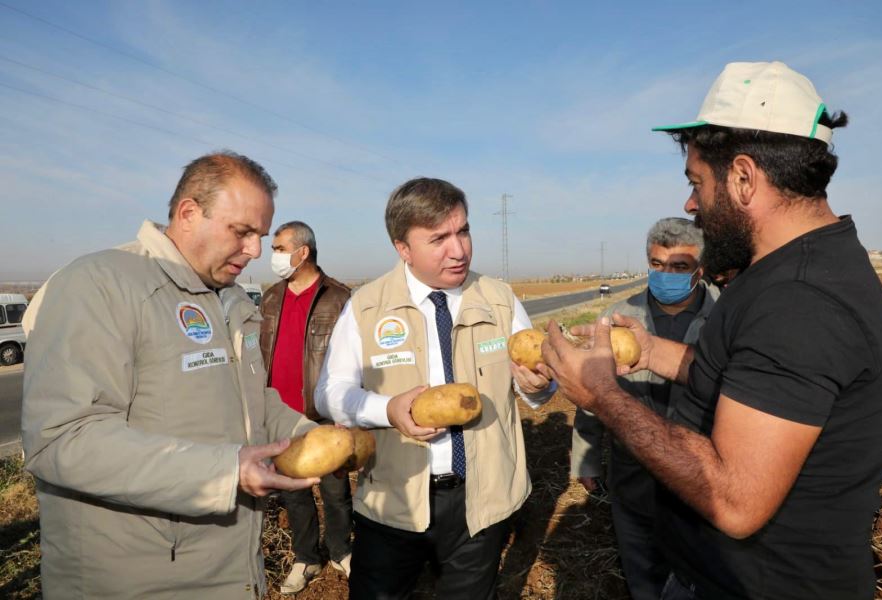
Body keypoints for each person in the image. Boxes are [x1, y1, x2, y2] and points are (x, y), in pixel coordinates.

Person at [542, 61, 882, 599]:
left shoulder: (799, 302)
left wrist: (603, 396)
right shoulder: (794, 270)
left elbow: (735, 499)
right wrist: (650, 352)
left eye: (696, 183)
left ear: (743, 177)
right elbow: (749, 380)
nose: (690, 203)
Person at [21, 151, 322, 599]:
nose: (255, 250)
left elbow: (252, 401)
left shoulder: (231, 299)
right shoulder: (101, 284)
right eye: (242, 232)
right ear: (188, 213)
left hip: (230, 570)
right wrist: (224, 471)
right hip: (137, 581)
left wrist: (306, 434)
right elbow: (61, 439)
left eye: (260, 235)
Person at [315, 177, 555, 599]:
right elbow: (330, 392)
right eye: (438, 238)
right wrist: (386, 410)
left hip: (479, 502)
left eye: (463, 231)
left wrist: (539, 386)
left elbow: (532, 389)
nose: (459, 250)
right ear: (403, 249)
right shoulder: (367, 306)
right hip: (393, 502)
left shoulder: (500, 300)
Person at [570, 217, 718, 600]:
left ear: (699, 269)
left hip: (703, 471)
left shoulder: (725, 314)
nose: (665, 274)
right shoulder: (621, 315)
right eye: (657, 264)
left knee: (701, 575)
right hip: (634, 471)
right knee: (643, 572)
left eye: (679, 267)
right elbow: (594, 386)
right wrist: (586, 459)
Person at [259, 220, 353, 593]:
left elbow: (355, 360)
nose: (274, 256)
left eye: (279, 248)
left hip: (323, 414)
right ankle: (305, 558)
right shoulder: (270, 298)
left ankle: (341, 549)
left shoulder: (339, 297)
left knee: (335, 491)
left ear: (303, 252)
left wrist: (347, 414)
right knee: (293, 492)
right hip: (279, 412)